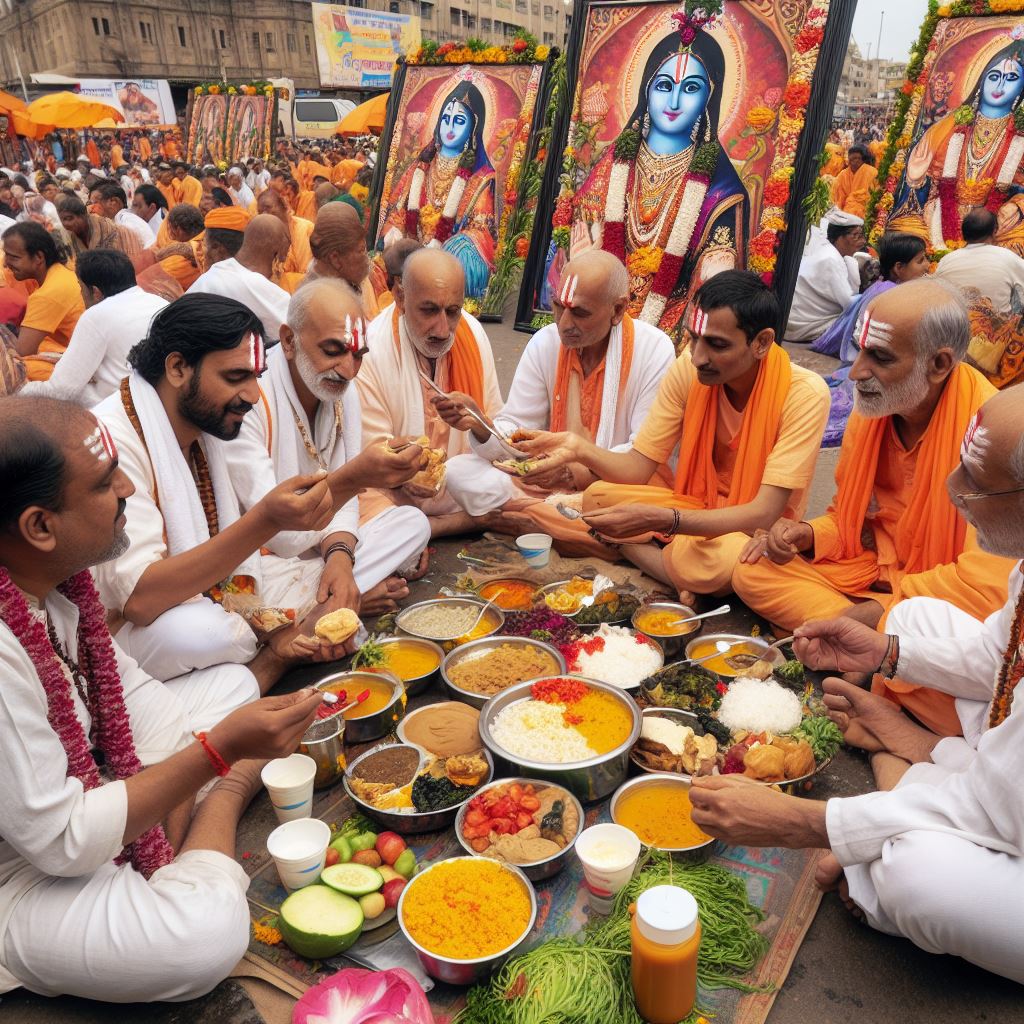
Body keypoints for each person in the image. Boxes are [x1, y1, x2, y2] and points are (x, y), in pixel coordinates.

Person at [0, 394, 335, 1002]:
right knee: (199, 938)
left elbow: (141, 706)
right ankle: (224, 802)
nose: (128, 486)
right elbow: (62, 840)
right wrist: (222, 758)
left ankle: (170, 833)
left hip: (84, 789)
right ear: (39, 526)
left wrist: (202, 747)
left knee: (232, 688)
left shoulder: (55, 588)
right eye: (105, 484)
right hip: (19, 874)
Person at [689, 385, 1024, 983]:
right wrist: (887, 650)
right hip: (1005, 777)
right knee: (914, 617)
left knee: (919, 876)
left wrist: (806, 824)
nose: (952, 493)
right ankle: (913, 762)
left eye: (975, 484)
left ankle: (884, 832)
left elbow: (1001, 813)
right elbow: (998, 652)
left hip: (1012, 811)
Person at [734, 280, 1014, 735]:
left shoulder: (988, 436)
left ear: (940, 363)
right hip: (869, 579)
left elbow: (985, 589)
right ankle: (873, 654)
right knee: (752, 570)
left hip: (938, 608)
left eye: (879, 357)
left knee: (975, 684)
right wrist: (806, 535)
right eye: (859, 349)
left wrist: (876, 615)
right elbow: (849, 516)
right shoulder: (873, 412)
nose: (855, 372)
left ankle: (874, 652)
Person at [90, 294, 377, 682]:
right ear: (177, 368)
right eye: (235, 377)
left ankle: (270, 650)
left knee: (329, 576)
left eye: (256, 378)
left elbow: (268, 553)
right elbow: (139, 600)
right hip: (134, 627)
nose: (253, 397)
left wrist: (334, 556)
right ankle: (271, 663)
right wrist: (265, 521)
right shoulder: (112, 441)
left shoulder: (206, 423)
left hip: (208, 594)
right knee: (200, 634)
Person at [516, 271, 830, 603]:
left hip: (751, 530)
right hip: (690, 505)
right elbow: (637, 468)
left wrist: (665, 520)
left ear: (762, 342)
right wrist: (576, 448)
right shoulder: (688, 370)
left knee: (730, 557)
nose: (698, 357)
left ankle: (654, 560)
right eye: (694, 339)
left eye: (717, 344)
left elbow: (764, 513)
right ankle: (686, 575)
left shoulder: (806, 395)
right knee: (600, 497)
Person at [444, 252, 675, 552]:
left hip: (615, 488)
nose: (564, 323)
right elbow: (517, 427)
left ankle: (534, 524)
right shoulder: (545, 342)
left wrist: (574, 471)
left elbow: (639, 456)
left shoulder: (654, 350)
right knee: (460, 473)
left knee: (627, 506)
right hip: (546, 484)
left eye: (579, 313)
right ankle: (563, 528)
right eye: (557, 307)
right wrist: (482, 426)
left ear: (618, 309)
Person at [226, 280, 431, 617]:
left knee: (413, 524)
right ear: (290, 341)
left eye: (358, 355)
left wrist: (340, 557)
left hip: (321, 544)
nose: (348, 370)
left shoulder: (343, 391)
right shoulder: (250, 399)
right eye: (333, 350)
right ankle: (351, 599)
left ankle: (333, 598)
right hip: (262, 558)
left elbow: (346, 506)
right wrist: (354, 477)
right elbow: (283, 538)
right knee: (228, 616)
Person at [567, 12, 750, 334]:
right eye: (664, 85)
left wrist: (713, 270)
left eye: (691, 88)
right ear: (646, 91)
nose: (675, 101)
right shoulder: (612, 167)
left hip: (673, 310)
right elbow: (582, 239)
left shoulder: (720, 188)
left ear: (709, 99)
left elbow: (717, 273)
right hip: (604, 301)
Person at [359, 248, 504, 537]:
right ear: (400, 298)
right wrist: (406, 468)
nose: (442, 329)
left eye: (452, 312)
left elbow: (501, 435)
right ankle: (456, 524)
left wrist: (477, 422)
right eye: (429, 310)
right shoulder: (372, 349)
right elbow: (371, 453)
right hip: (396, 494)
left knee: (507, 482)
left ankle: (428, 529)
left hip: (459, 486)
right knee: (356, 504)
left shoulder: (472, 333)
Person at [889, 43, 1024, 253]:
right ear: (981, 81)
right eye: (994, 76)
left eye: (1012, 78)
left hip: (998, 225)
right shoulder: (948, 127)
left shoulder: (1020, 135)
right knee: (902, 231)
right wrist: (932, 200)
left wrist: (1017, 205)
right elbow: (919, 180)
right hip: (942, 214)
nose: (1001, 84)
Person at [378, 78, 497, 298]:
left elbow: (481, 231)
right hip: (409, 255)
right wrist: (393, 230)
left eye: (459, 121)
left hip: (446, 261)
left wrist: (448, 245)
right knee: (378, 265)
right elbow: (398, 211)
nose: (450, 127)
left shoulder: (480, 178)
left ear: (473, 129)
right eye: (446, 119)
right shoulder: (421, 165)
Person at [34, 250, 167, 406]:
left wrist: (18, 390)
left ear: (96, 292)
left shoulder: (97, 315)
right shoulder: (160, 302)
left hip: (123, 410)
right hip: (161, 402)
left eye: (80, 287)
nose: (80, 293)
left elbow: (60, 391)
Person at [935, 208, 1024, 389]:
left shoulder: (947, 260)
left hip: (950, 341)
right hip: (993, 351)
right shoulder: (1008, 258)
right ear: (994, 231)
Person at [812, 232, 929, 362]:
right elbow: (864, 338)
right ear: (899, 268)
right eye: (920, 261)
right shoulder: (889, 295)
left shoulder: (888, 287)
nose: (927, 266)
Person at [2, 222, 84, 382]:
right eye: (6, 255)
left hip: (84, 363)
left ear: (39, 257)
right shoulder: (61, 270)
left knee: (16, 368)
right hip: (77, 350)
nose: (5, 263)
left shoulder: (47, 294)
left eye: (13, 257)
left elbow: (22, 352)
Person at [189, 213, 290, 338]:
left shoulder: (209, 277)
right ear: (276, 256)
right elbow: (296, 334)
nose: (282, 269)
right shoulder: (258, 287)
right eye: (283, 258)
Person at [785, 210, 866, 343]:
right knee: (859, 325)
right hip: (803, 325)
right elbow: (848, 303)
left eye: (862, 236)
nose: (862, 241)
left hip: (798, 320)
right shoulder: (830, 259)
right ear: (840, 237)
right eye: (856, 236)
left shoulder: (831, 252)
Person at [304, 202, 379, 315]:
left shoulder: (352, 280)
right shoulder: (322, 309)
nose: (366, 257)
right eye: (361, 250)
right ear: (335, 258)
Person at [57, 195, 143, 260]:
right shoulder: (71, 235)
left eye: (69, 218)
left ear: (83, 215)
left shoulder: (107, 229)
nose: (66, 224)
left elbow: (114, 261)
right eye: (62, 220)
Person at [256, 186, 313, 279]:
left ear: (284, 206)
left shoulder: (305, 228)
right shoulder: (265, 238)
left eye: (268, 208)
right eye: (260, 212)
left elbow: (308, 274)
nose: (264, 215)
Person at [89, 179, 156, 248]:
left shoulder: (126, 225)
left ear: (113, 202)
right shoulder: (119, 221)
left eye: (95, 203)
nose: (91, 208)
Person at [831, 144, 878, 219]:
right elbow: (838, 199)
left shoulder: (872, 172)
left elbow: (876, 197)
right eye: (851, 159)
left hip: (867, 216)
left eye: (857, 158)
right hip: (844, 216)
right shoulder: (843, 174)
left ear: (864, 159)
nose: (853, 162)